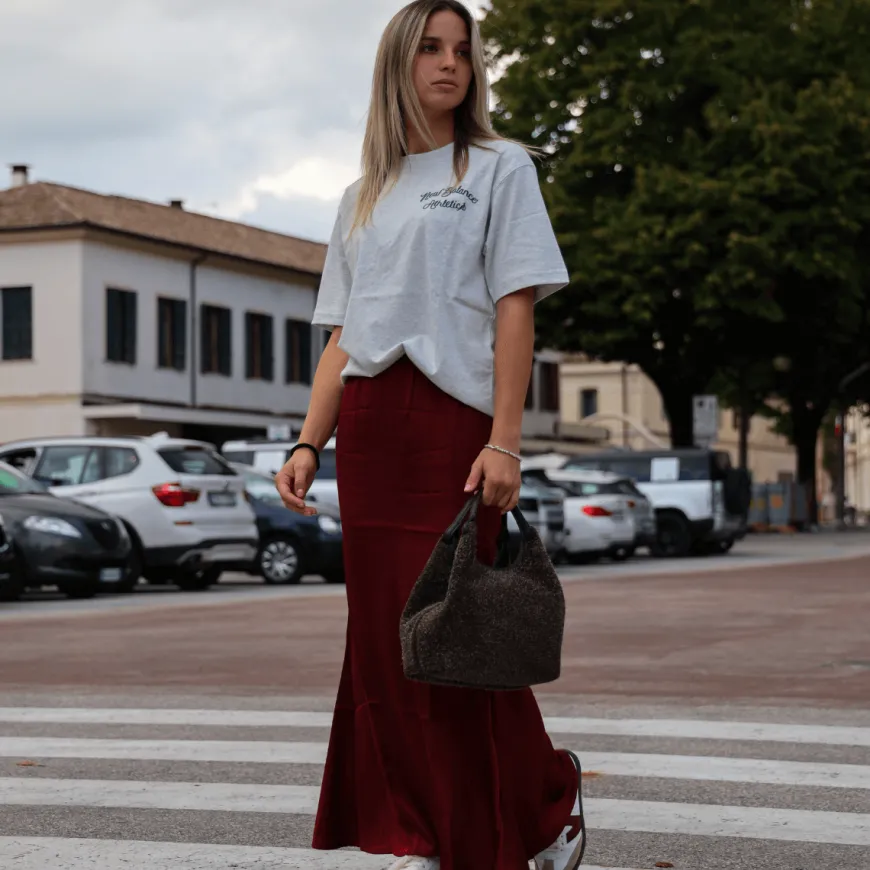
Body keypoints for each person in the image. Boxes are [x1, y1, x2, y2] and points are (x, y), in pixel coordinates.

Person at [275, 2, 585, 868]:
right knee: (386, 644)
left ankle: (539, 806)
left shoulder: (499, 167)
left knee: (456, 632)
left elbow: (515, 307)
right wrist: (307, 444)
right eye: (430, 49)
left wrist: (505, 439)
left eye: (462, 51)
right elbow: (344, 337)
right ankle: (421, 830)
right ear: (397, 65)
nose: (450, 64)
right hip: (371, 432)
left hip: (455, 425)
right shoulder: (361, 197)